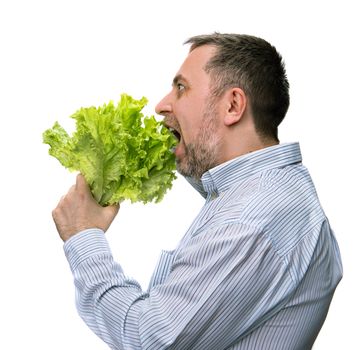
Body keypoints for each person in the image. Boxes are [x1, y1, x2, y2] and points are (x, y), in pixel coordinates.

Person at [52, 33, 343, 349]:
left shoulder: (250, 221)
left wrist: (83, 237)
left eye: (181, 88)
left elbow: (151, 340)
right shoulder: (267, 190)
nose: (162, 105)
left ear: (232, 105)